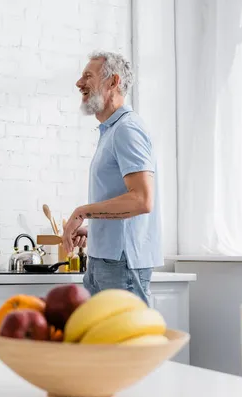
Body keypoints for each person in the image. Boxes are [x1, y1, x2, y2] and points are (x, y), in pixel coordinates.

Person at [62, 51, 163, 305]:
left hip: (122, 266)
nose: (78, 83)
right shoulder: (111, 131)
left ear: (112, 82)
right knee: (99, 343)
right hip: (105, 262)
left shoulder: (127, 129)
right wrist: (95, 228)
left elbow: (141, 200)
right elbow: (120, 200)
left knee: (126, 344)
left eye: (88, 76)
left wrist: (81, 212)